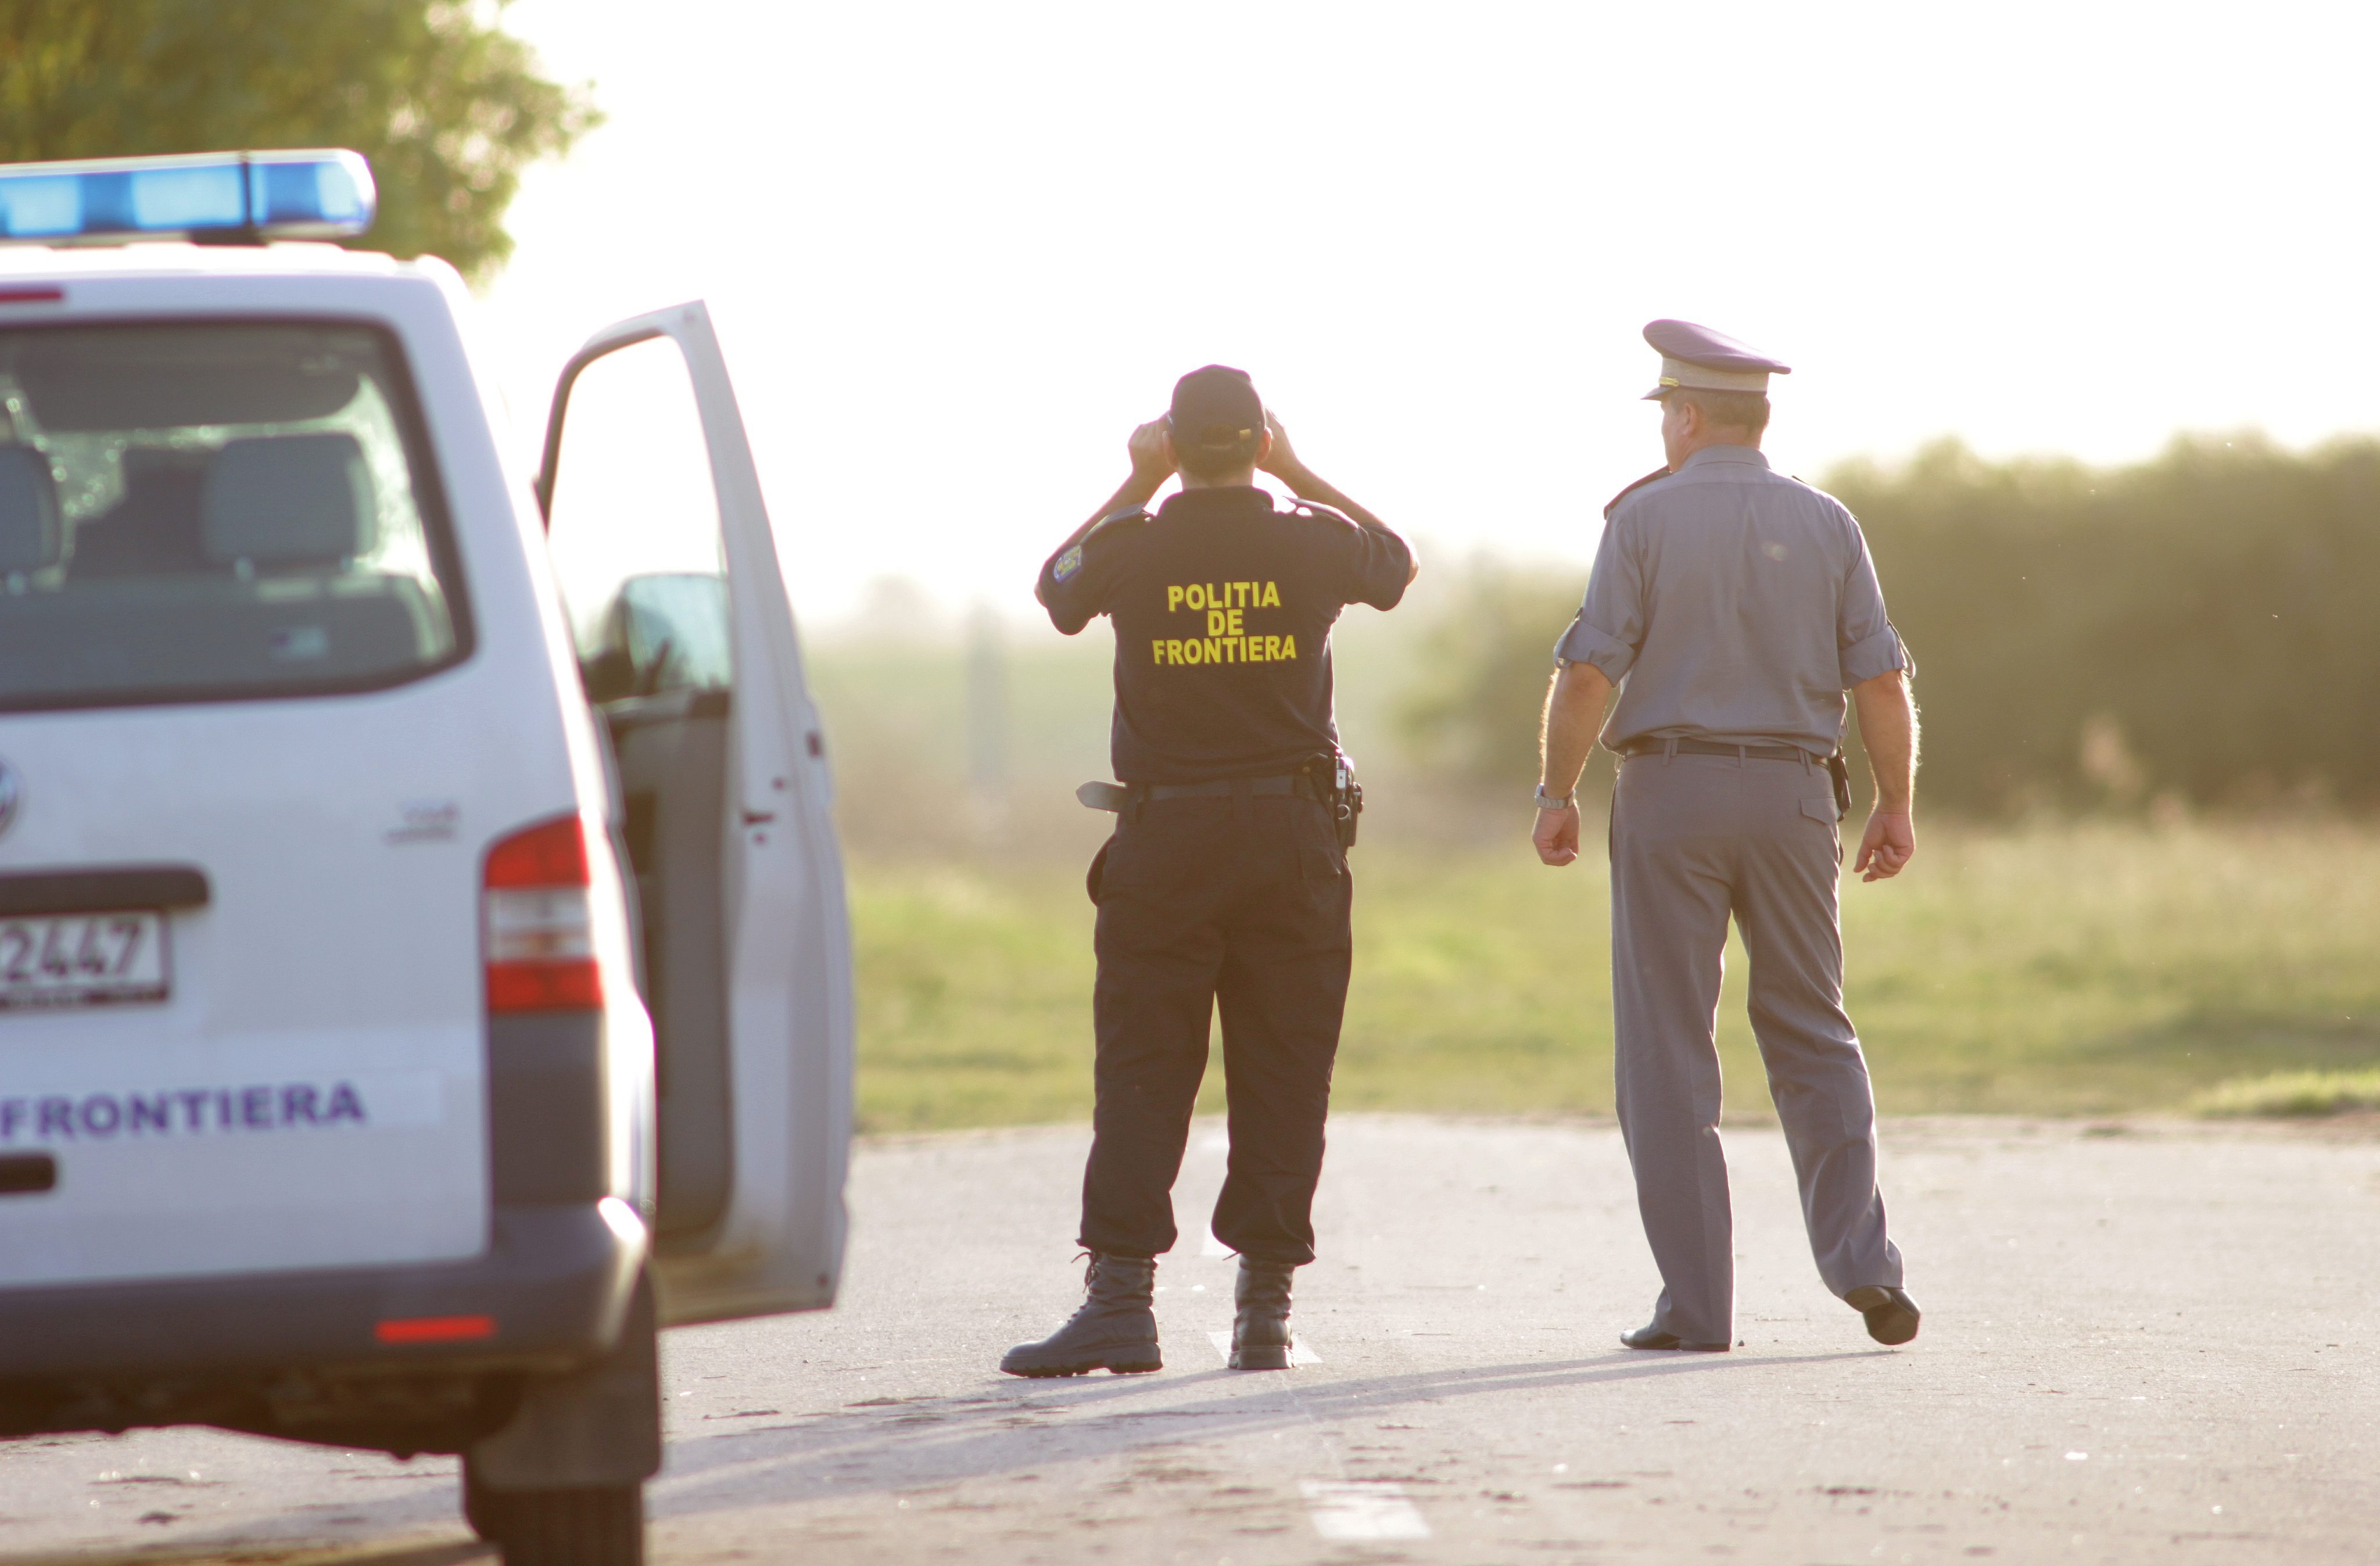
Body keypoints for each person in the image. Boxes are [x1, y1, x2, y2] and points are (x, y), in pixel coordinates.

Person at [1002, 364, 1415, 1377]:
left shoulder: (1135, 548)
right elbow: (1397, 567)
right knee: (1287, 1067)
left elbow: (1056, 591)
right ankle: (1264, 1313)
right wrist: (1301, 466)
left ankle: (1120, 1305)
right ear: (1258, 441)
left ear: (1175, 443)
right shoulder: (1310, 541)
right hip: (1292, 843)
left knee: (1144, 1068)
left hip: (1166, 846)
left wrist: (1135, 483)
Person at [1531, 320, 1923, 1353]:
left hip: (1670, 794)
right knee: (1812, 1027)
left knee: (1667, 1044)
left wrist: (1554, 790)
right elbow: (1879, 679)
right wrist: (1895, 803)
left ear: (1689, 415)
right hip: (1797, 797)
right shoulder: (1830, 521)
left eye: (1668, 412)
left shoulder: (1644, 519)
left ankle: (1698, 1307)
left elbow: (1586, 674)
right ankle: (1864, 1266)